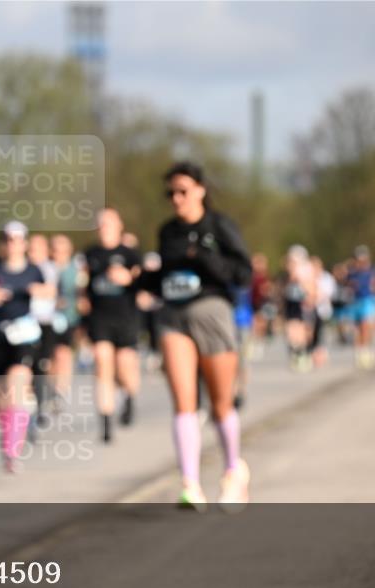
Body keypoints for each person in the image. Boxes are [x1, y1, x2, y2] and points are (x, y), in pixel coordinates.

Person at [145, 161, 252, 511]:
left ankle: (233, 471)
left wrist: (205, 258)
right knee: (183, 400)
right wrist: (134, 280)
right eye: (171, 193)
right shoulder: (167, 232)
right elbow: (161, 275)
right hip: (173, 316)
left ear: (201, 191)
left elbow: (242, 273)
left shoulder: (219, 226)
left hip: (212, 313)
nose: (176, 199)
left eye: (183, 191)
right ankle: (190, 484)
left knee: (221, 404)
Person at [0, 222, 47, 473]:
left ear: (25, 243)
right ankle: (10, 428)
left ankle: (12, 451)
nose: (13, 244)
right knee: (1, 396)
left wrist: (36, 290)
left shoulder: (33, 270)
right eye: (8, 240)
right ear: (3, 244)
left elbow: (49, 292)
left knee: (18, 383)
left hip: (24, 334)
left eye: (17, 240)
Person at [82, 208, 142, 443]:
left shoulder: (129, 254)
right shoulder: (90, 254)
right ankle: (105, 421)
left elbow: (143, 282)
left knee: (124, 365)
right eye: (101, 224)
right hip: (100, 318)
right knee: (102, 362)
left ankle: (129, 396)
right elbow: (83, 284)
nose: (104, 228)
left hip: (125, 316)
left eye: (109, 223)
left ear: (119, 226)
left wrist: (128, 279)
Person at [27, 233, 59, 426]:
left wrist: (30, 289)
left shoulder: (49, 268)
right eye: (31, 248)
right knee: (29, 366)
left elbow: (50, 291)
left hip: (45, 323)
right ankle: (35, 404)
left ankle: (43, 402)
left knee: (42, 365)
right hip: (26, 325)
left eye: (38, 248)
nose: (34, 252)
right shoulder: (23, 268)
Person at [49, 234, 84, 409]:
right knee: (49, 357)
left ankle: (60, 391)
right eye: (55, 250)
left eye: (63, 250)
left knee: (63, 353)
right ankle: (50, 386)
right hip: (47, 319)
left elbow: (82, 293)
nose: (59, 254)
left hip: (69, 318)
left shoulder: (76, 270)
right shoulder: (45, 269)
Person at [283, 245, 316, 372]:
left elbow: (310, 286)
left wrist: (311, 298)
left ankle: (303, 353)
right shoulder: (290, 269)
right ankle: (296, 353)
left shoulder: (305, 269)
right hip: (292, 302)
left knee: (304, 330)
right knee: (292, 329)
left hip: (303, 303)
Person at [348, 245, 375, 369]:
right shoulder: (352, 272)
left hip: (368, 301)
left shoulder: (372, 271)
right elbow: (349, 286)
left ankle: (366, 350)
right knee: (358, 328)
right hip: (356, 301)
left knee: (366, 326)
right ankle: (360, 352)